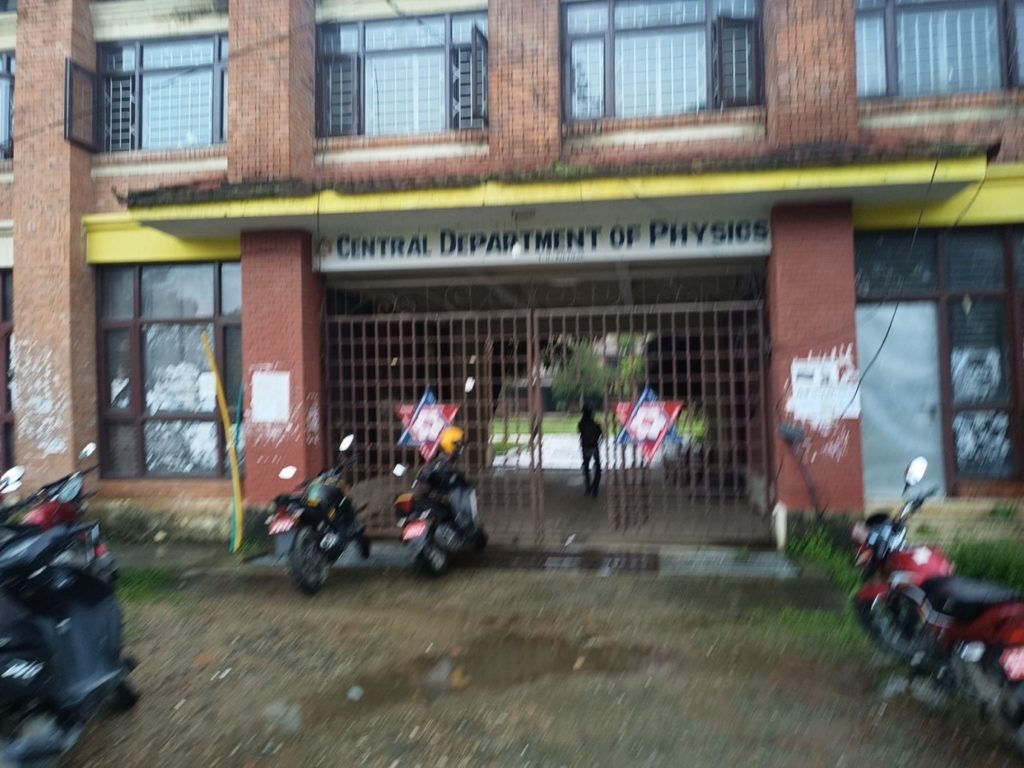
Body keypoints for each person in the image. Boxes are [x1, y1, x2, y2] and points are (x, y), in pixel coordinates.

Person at [578, 405, 603, 498]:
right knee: (598, 467)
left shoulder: (581, 424)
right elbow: (600, 434)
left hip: (585, 447)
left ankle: (588, 486)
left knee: (586, 467)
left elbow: (580, 433)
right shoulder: (595, 424)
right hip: (594, 447)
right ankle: (595, 488)